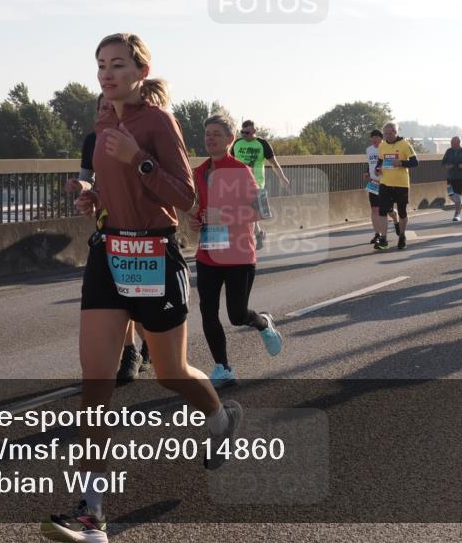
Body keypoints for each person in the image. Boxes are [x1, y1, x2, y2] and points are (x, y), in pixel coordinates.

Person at [43, 33, 242, 543]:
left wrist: (139, 159)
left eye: (117, 65)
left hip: (155, 255)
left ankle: (220, 419)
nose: (107, 74)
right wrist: (93, 197)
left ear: (140, 70)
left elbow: (187, 198)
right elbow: (116, 190)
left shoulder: (157, 122)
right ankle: (92, 512)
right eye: (100, 66)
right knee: (96, 382)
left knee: (172, 372)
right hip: (109, 255)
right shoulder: (103, 120)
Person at [188, 114, 283, 387]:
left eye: (217, 133)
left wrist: (225, 215)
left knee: (237, 315)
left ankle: (262, 322)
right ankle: (223, 367)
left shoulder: (242, 171)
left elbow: (263, 211)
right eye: (207, 133)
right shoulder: (200, 171)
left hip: (239, 254)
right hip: (208, 252)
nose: (210, 138)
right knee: (208, 311)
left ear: (231, 139)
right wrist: (196, 221)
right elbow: (201, 211)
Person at [67, 94, 149, 383]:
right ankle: (130, 352)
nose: (106, 110)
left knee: (139, 298)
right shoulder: (92, 140)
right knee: (117, 293)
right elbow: (88, 176)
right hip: (107, 225)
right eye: (101, 106)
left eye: (110, 105)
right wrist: (82, 187)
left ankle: (149, 340)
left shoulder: (137, 134)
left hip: (141, 227)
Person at [231, 120, 290, 250]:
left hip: (256, 182)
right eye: (242, 132)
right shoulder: (236, 144)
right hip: (237, 182)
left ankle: (257, 235)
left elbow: (274, 163)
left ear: (254, 132)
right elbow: (228, 163)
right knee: (246, 211)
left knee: (252, 212)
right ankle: (257, 235)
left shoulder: (262, 144)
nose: (244, 135)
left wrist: (282, 177)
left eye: (247, 132)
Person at [373, 122, 418, 251]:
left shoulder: (404, 144)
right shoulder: (382, 145)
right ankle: (384, 239)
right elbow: (380, 161)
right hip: (385, 183)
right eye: (385, 134)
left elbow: (415, 162)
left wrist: (401, 163)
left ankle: (402, 236)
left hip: (401, 184)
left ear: (395, 132)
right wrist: (377, 169)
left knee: (402, 212)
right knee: (382, 211)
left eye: (389, 133)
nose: (387, 136)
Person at [366, 129, 400, 244]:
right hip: (373, 182)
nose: (374, 139)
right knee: (374, 209)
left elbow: (391, 164)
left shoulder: (386, 148)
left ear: (382, 138)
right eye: (373, 137)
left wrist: (382, 170)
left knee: (387, 210)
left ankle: (395, 219)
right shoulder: (369, 150)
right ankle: (378, 234)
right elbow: (370, 163)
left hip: (386, 182)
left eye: (377, 137)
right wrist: (367, 172)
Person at [441, 136, 462, 222]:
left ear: (458, 143)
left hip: (460, 177)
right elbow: (443, 162)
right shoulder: (449, 151)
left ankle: (457, 214)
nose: (451, 145)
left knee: (457, 195)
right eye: (451, 143)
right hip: (450, 176)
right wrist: (447, 166)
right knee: (450, 194)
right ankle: (459, 204)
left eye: (453, 143)